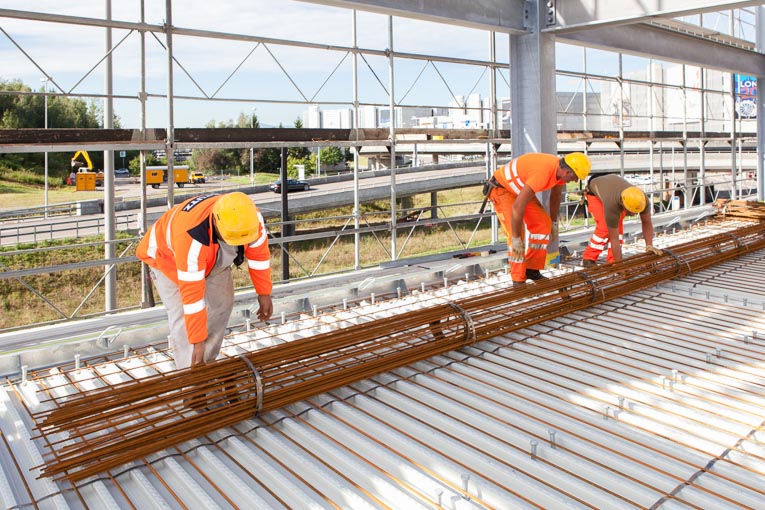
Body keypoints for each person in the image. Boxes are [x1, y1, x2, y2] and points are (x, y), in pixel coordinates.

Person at [137, 192, 273, 369]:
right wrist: (197, 340)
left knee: (222, 304)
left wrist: (264, 293)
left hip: (211, 257)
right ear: (217, 223)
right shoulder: (192, 236)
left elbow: (259, 257)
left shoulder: (250, 219)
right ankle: (190, 375)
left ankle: (207, 363)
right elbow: (192, 298)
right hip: (168, 258)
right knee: (183, 316)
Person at [487, 152, 591, 286]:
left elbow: (556, 196)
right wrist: (516, 238)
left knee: (543, 224)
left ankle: (532, 269)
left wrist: (553, 222)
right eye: (575, 177)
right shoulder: (542, 173)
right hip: (501, 190)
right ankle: (518, 280)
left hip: (519, 189)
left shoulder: (558, 172)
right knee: (516, 232)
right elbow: (517, 206)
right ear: (567, 171)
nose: (575, 181)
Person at [581, 174, 661, 267]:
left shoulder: (641, 199)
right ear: (623, 204)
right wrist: (620, 266)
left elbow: (646, 222)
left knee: (618, 229)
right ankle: (588, 258)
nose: (634, 214)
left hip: (611, 187)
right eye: (631, 212)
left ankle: (613, 260)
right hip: (594, 193)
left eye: (637, 212)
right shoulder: (612, 203)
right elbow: (614, 238)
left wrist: (649, 246)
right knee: (605, 227)